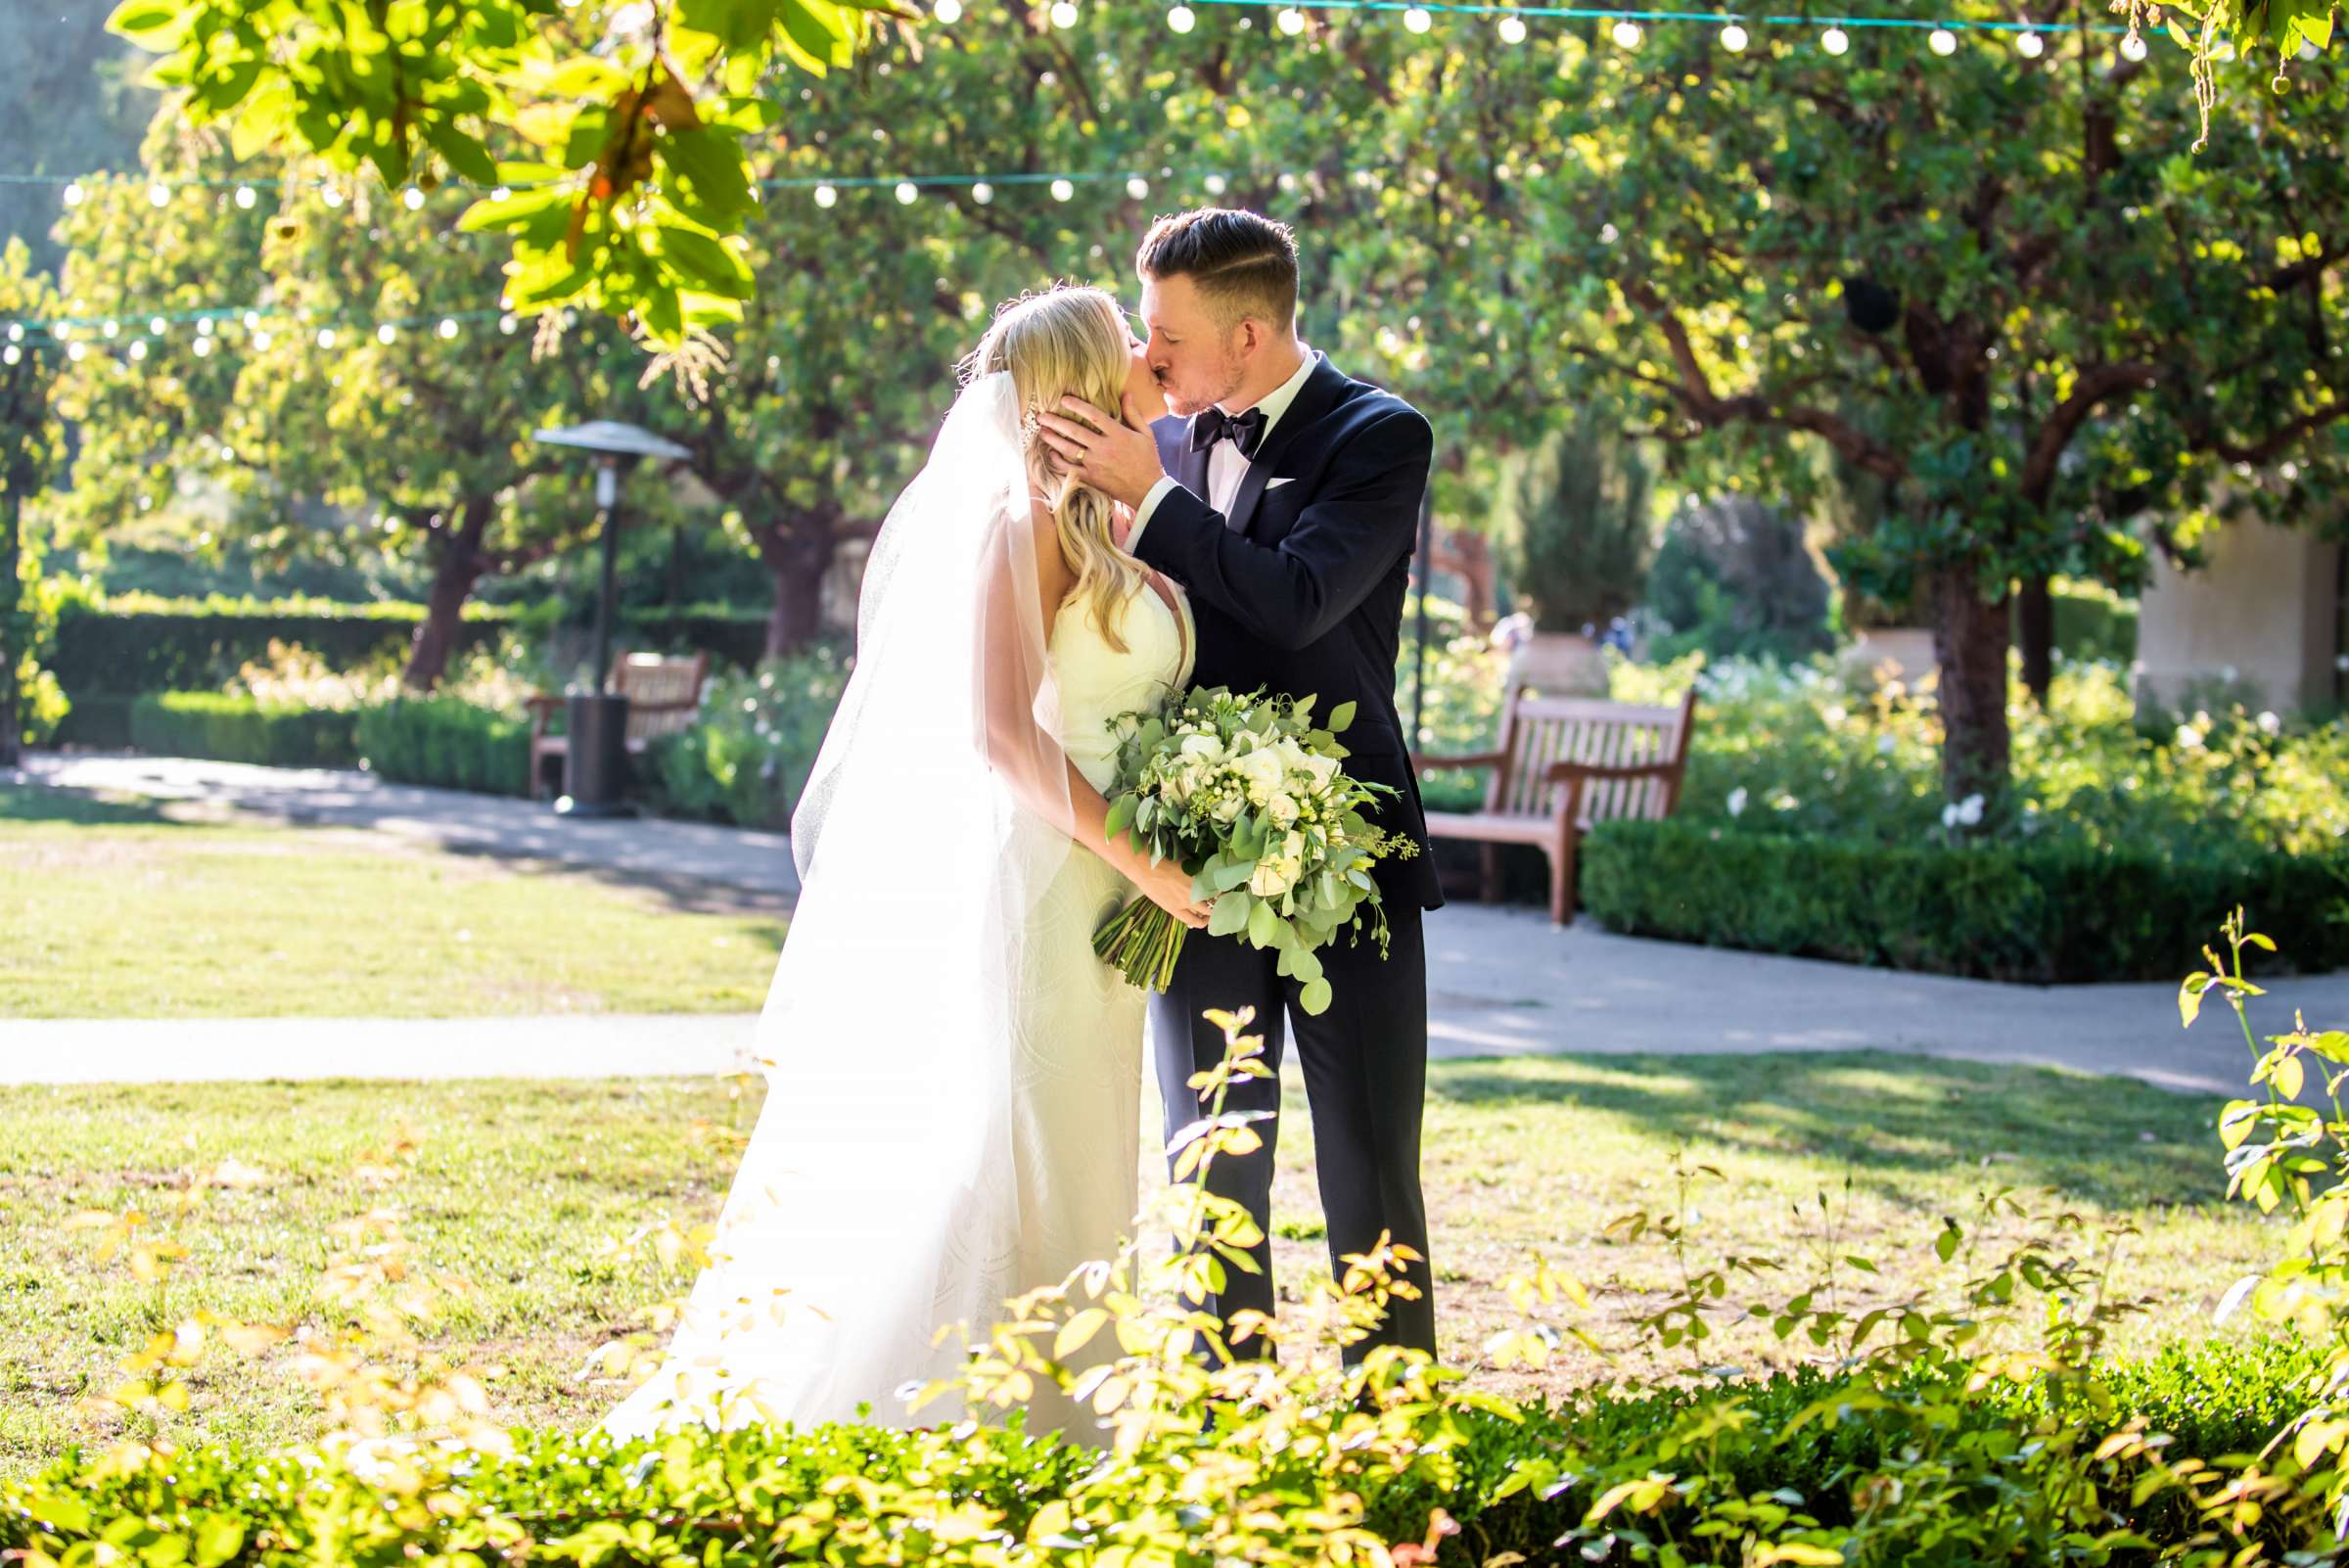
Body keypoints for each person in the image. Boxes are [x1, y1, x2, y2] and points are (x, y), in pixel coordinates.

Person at [600, 285, 1202, 1445]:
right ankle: (974, 1418)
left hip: (1106, 901)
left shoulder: (1110, 524)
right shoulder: (1019, 527)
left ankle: (1073, 1417)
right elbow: (1004, 740)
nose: (1144, 347)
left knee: (1075, 1143)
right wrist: (1153, 861)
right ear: (1080, 376)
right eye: (1123, 337)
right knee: (1013, 1145)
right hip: (1046, 883)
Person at [1035, 208, 1443, 1361]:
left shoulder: (1377, 436)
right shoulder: (1150, 436)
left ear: (1250, 333)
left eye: (1164, 334)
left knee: (1369, 1161)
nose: (1145, 357)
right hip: (1189, 860)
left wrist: (1153, 499)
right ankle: (1226, 1428)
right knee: (1211, 1154)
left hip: (1349, 853)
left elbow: (1301, 600)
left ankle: (1389, 1425)